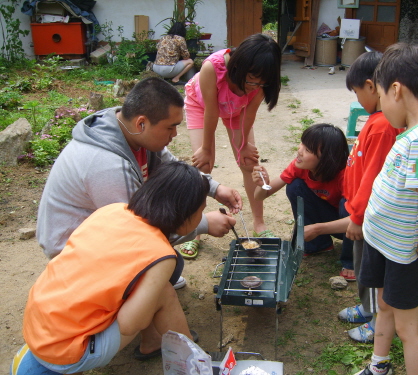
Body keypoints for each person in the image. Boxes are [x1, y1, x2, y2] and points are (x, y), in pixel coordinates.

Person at [36, 77, 240, 289]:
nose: (175, 134)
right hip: (72, 249)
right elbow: (138, 232)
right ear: (141, 123)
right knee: (160, 261)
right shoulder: (108, 166)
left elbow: (172, 168)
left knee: (171, 264)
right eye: (171, 127)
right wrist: (203, 224)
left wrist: (215, 189)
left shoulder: (134, 134)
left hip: (103, 232)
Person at [11, 161, 208, 375]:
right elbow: (130, 324)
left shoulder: (112, 211)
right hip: (68, 352)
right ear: (185, 213)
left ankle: (155, 342)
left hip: (38, 324)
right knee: (162, 292)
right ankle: (193, 361)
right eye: (201, 210)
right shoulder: (162, 254)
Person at [354, 43, 418, 375]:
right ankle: (379, 366)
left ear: (396, 90)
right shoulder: (416, 135)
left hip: (405, 254)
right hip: (386, 243)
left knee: (409, 330)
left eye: (380, 97)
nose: (380, 105)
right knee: (384, 306)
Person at [304, 52, 401, 342]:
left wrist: (357, 217)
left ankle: (376, 320)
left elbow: (372, 177)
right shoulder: (374, 119)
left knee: (370, 270)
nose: (357, 98)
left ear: (372, 86)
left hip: (368, 214)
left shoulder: (384, 125)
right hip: (357, 207)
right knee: (362, 267)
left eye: (357, 92)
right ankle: (367, 307)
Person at [182, 33, 281, 257]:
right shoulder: (212, 68)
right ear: (239, 66)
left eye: (261, 83)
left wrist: (244, 144)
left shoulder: (261, 80)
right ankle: (195, 229)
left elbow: (250, 112)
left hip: (238, 111)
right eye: (251, 80)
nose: (255, 86)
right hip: (202, 106)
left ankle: (259, 223)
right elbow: (211, 110)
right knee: (202, 168)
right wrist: (207, 149)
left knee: (249, 163)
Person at [252, 123, 349, 255]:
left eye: (308, 149)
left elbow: (359, 219)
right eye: (302, 143)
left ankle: (351, 260)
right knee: (295, 186)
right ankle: (317, 245)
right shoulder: (299, 166)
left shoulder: (346, 175)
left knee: (346, 205)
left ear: (326, 158)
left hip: (351, 227)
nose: (299, 150)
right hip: (331, 218)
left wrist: (317, 229)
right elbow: (260, 196)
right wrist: (262, 184)